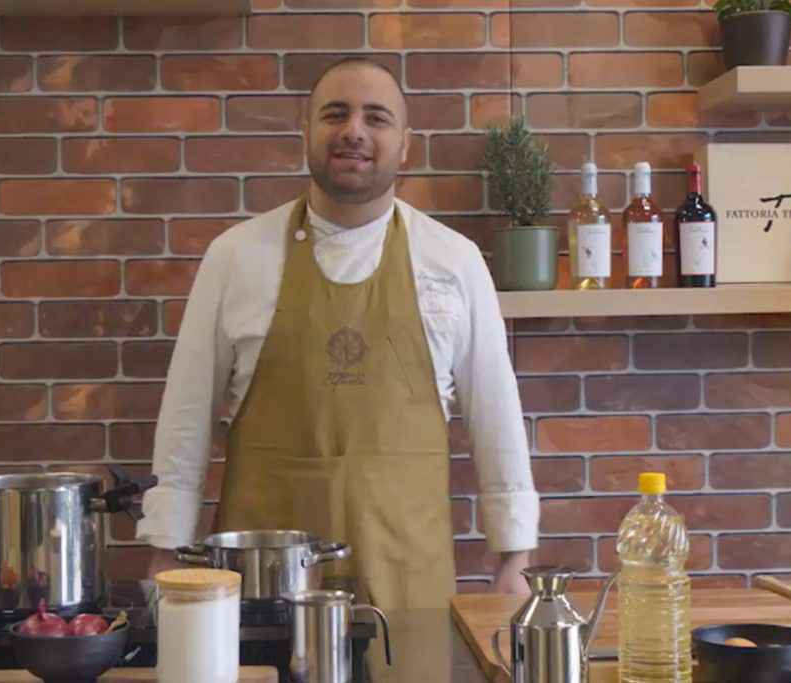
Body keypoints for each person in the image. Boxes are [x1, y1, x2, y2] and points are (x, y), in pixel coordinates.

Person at [138, 57, 538, 609]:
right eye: (335, 114)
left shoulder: (455, 261)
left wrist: (513, 557)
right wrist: (166, 546)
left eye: (377, 117)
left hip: (407, 580)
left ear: (405, 145)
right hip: (264, 580)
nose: (354, 130)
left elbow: (496, 414)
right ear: (306, 133)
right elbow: (186, 414)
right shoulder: (235, 258)